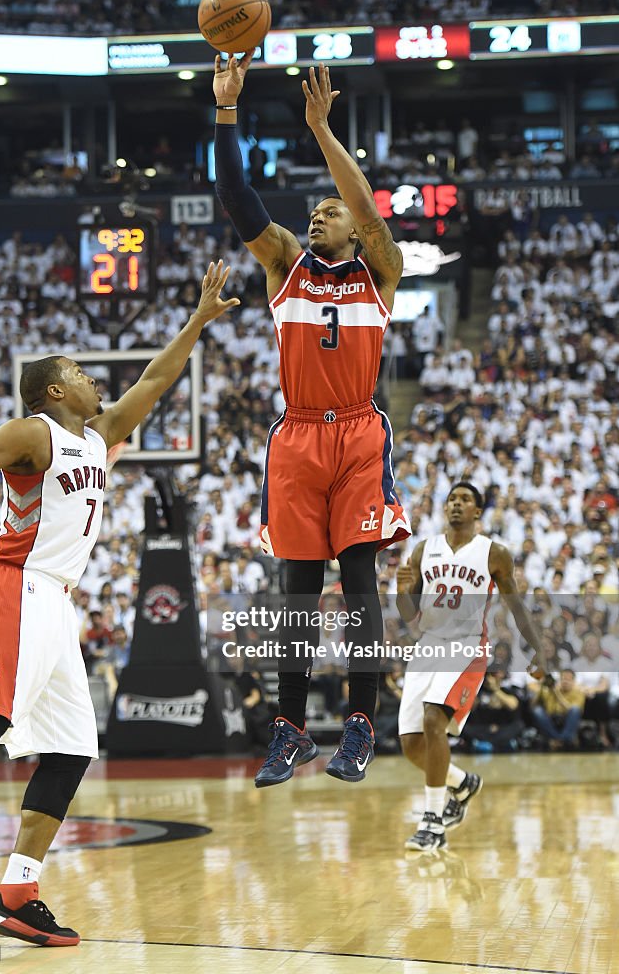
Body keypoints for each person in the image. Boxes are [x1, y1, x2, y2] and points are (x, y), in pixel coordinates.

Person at [0, 261, 237, 944]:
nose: (100, 382)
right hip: (14, 583)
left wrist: (196, 323)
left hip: (56, 602)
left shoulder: (98, 435)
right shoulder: (34, 433)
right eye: (85, 374)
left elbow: (154, 380)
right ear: (56, 389)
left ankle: (16, 890)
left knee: (70, 750)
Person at [212, 51, 411, 787]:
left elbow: (364, 207)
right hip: (296, 436)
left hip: (358, 431)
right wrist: (226, 109)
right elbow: (235, 194)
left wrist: (322, 132)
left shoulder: (379, 269)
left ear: (354, 234)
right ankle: (290, 728)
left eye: (327, 212)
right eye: (312, 213)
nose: (316, 216)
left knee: (357, 576)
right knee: (296, 591)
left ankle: (360, 721)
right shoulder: (283, 266)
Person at [395, 483, 545, 852]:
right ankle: (462, 783)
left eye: (464, 500)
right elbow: (409, 614)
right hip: (427, 645)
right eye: (452, 500)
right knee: (412, 745)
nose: (456, 504)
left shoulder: (494, 553)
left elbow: (515, 605)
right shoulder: (422, 550)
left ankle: (433, 821)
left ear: (478, 511)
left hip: (466, 647)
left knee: (434, 722)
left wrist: (537, 648)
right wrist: (401, 593)